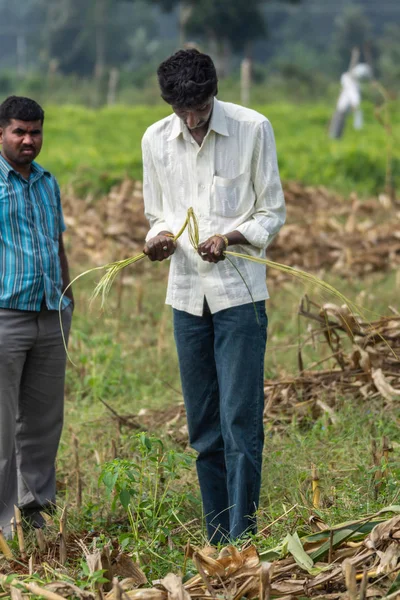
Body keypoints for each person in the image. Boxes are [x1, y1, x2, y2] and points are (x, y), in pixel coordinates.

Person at [142, 49, 285, 543]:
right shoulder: (155, 140)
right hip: (185, 297)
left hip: (239, 297)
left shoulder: (253, 128)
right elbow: (156, 213)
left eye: (198, 108)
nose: (191, 119)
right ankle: (216, 536)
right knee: (204, 428)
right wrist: (157, 240)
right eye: (181, 110)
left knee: (240, 422)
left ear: (213, 93)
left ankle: (242, 537)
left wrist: (231, 237)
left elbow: (271, 213)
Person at [0, 96, 73, 539]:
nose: (29, 140)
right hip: (5, 315)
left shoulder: (47, 182)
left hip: (51, 314)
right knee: (2, 422)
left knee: (44, 420)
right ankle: (4, 522)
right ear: (0, 133)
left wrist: (67, 298)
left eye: (35, 132)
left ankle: (35, 508)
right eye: (19, 132)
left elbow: (57, 243)